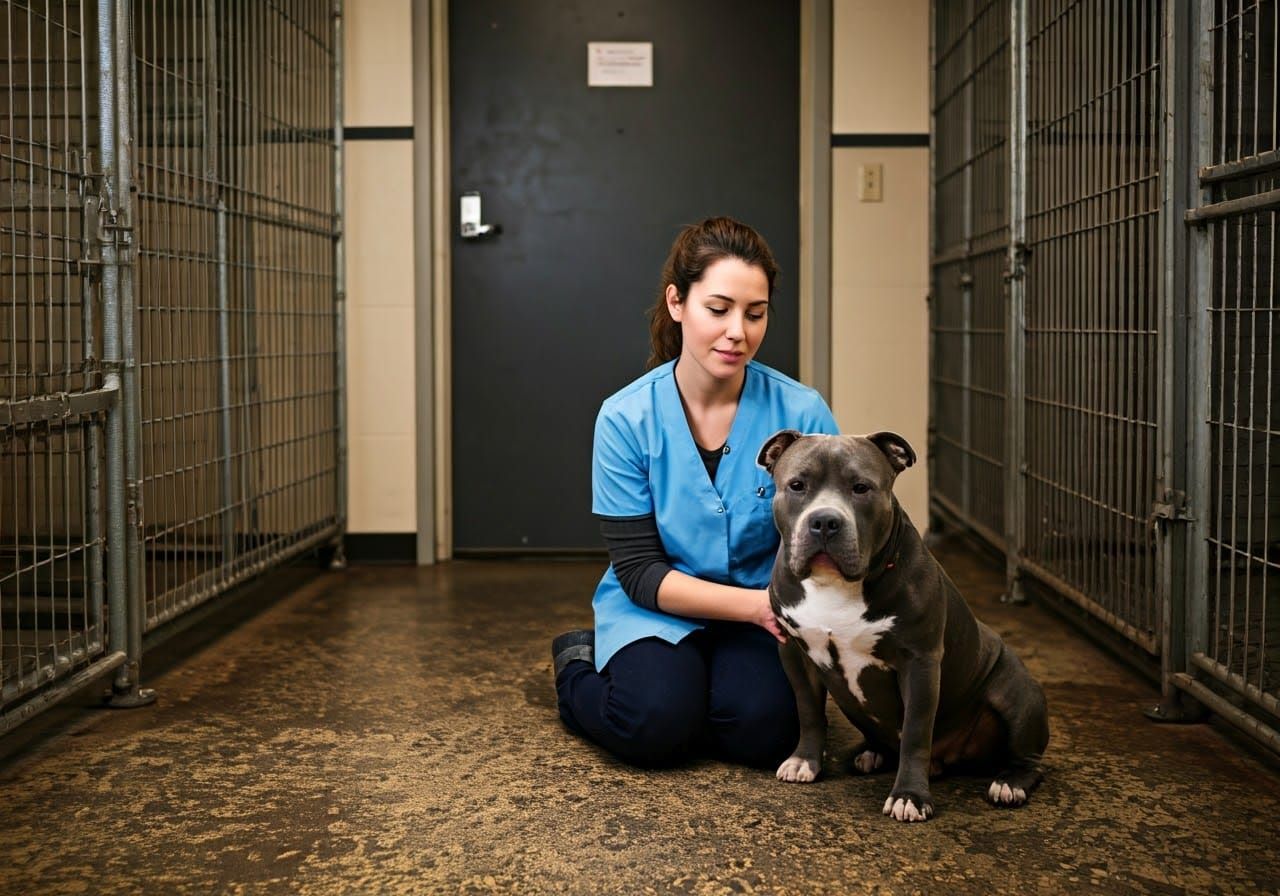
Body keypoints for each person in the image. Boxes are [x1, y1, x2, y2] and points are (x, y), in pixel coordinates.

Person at [551, 216, 840, 769]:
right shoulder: (625, 417)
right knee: (649, 726)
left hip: (768, 611)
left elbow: (817, 539)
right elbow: (637, 571)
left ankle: (699, 696)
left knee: (768, 733)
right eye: (719, 309)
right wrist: (758, 607)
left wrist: (776, 608)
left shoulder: (802, 412)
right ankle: (574, 665)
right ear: (677, 303)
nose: (738, 332)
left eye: (755, 314)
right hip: (661, 608)